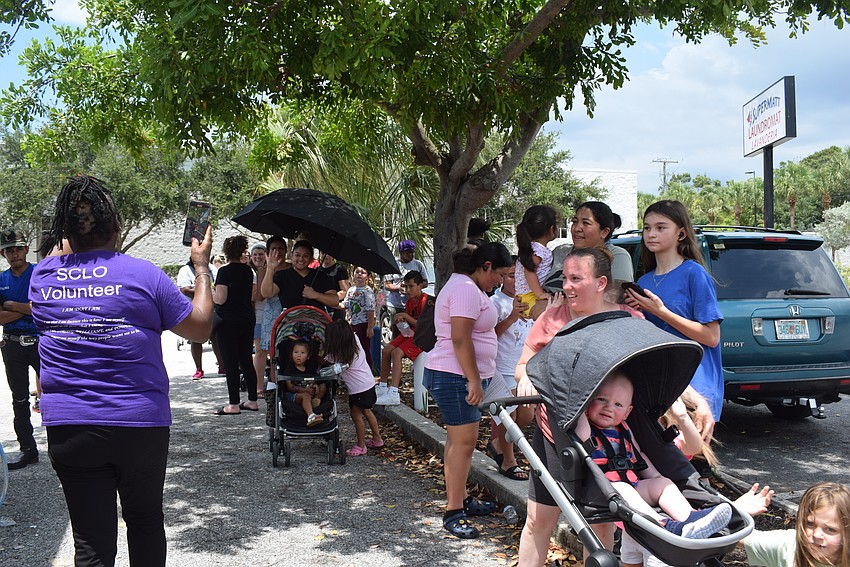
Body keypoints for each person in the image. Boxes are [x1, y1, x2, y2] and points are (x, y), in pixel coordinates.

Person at [30, 175, 214, 566]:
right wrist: (201, 267)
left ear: (66, 230)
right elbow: (200, 328)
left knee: (91, 542)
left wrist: (72, 228)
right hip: (139, 425)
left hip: (70, 428)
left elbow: (62, 251)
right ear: (117, 224)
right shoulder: (144, 275)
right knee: (145, 521)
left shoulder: (42, 278)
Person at [423, 242, 513, 539]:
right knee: (463, 443)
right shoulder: (464, 289)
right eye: (500, 273)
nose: (500, 280)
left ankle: (460, 499)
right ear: (486, 266)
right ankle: (453, 511)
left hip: (459, 374)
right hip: (455, 375)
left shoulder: (470, 287)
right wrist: (473, 379)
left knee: (458, 442)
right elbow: (460, 338)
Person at [575, 372, 732, 538]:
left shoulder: (625, 430)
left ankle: (691, 519)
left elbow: (638, 455)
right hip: (603, 491)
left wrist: (655, 476)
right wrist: (581, 407)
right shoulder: (587, 429)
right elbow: (581, 433)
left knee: (663, 484)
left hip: (633, 485)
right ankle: (664, 525)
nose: (609, 407)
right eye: (601, 399)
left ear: (627, 412)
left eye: (618, 404)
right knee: (623, 488)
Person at [623, 200, 724, 426]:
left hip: (695, 387)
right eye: (647, 228)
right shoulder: (644, 281)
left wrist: (661, 312)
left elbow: (711, 337)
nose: (651, 234)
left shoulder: (694, 273)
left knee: (693, 450)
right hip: (657, 385)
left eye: (661, 227)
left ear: (681, 233)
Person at [485, 259, 533, 480]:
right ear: (502, 277)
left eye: (522, 277)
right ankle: (508, 461)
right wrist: (513, 316)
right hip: (502, 368)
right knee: (509, 416)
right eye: (513, 276)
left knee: (526, 415)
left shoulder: (531, 300)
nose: (517, 281)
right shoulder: (495, 303)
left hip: (524, 369)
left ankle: (498, 443)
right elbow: (489, 335)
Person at [0, 228, 41, 470]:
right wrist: (28, 308)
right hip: (12, 344)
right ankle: (28, 450)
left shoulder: (39, 273)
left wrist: (12, 305)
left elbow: (44, 308)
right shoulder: (1, 280)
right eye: (9, 250)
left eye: (18, 249)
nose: (14, 254)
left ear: (26, 249)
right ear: (3, 254)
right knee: (20, 399)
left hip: (41, 342)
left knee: (54, 395)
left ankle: (62, 448)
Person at [739, 482, 850, 567]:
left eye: (830, 529)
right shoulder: (788, 546)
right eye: (810, 524)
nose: (816, 535)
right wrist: (736, 510)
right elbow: (736, 537)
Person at [213, 235, 259, 415]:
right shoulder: (248, 271)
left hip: (228, 320)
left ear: (226, 251)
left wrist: (211, 293)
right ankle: (252, 400)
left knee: (230, 361)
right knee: (246, 359)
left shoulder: (224, 272)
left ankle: (233, 404)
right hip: (246, 318)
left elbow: (221, 298)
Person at [324, 319, 383, 455]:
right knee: (367, 411)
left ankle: (361, 445)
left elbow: (327, 360)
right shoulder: (355, 341)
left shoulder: (341, 356)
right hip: (368, 383)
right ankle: (377, 439)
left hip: (358, 389)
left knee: (356, 415)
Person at [375, 270, 428, 406]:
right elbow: (411, 322)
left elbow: (422, 324)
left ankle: (394, 392)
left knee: (396, 353)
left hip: (422, 336)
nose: (407, 290)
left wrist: (405, 316)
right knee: (386, 350)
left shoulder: (426, 301)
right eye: (405, 286)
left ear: (420, 286)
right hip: (410, 333)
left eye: (411, 286)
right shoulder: (410, 301)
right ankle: (382, 386)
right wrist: (401, 321)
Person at [551, 201, 634, 286]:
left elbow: (617, 292)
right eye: (575, 221)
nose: (577, 228)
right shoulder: (559, 252)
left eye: (586, 223)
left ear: (604, 232)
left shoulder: (617, 256)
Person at [176, 256, 223, 379]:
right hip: (193, 308)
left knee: (215, 337)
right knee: (196, 339)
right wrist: (205, 292)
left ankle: (222, 366)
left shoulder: (212, 269)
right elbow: (185, 290)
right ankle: (199, 369)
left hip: (211, 308)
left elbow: (218, 286)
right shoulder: (185, 270)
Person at [261, 239, 339, 312]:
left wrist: (316, 295)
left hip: (316, 319)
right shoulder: (282, 275)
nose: (301, 259)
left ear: (311, 258)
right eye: (297, 255)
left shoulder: (321, 276)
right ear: (292, 255)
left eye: (305, 256)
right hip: (290, 320)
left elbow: (335, 301)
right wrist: (270, 268)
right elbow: (266, 293)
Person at [514, 205, 558, 316]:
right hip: (531, 296)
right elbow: (529, 270)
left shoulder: (532, 248)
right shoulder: (538, 250)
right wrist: (540, 294)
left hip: (526, 297)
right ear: (552, 229)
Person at [382, 240, 427, 337]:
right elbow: (387, 284)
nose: (412, 255)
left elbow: (425, 282)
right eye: (409, 252)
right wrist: (398, 288)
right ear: (401, 253)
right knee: (398, 332)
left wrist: (414, 287)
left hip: (414, 304)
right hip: (396, 305)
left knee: (414, 331)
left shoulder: (418, 264)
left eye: (413, 252)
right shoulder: (393, 264)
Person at [282, 341, 326, 427]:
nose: (299, 355)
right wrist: (304, 390)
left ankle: (316, 400)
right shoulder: (289, 369)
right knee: (306, 395)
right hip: (294, 394)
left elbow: (313, 380)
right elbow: (289, 386)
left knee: (323, 386)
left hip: (309, 390)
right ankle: (311, 416)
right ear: (291, 354)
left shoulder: (309, 368)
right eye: (296, 352)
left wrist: (315, 385)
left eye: (302, 353)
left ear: (308, 356)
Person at [342, 266, 376, 371]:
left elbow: (370, 310)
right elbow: (345, 304)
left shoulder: (368, 291)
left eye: (363, 272)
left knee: (364, 349)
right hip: (352, 324)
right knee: (353, 348)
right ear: (353, 274)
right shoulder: (351, 290)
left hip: (363, 324)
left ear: (368, 277)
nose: (359, 274)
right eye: (357, 272)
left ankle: (368, 371)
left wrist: (370, 328)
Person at [250, 243, 269, 397]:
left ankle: (273, 385)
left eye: (261, 254)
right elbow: (257, 296)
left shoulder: (272, 271)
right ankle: (258, 387)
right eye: (255, 254)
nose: (258, 257)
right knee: (260, 351)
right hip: (257, 316)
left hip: (273, 314)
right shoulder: (250, 273)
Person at [319, 252, 350, 321]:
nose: (326, 256)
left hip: (336, 309)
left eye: (329, 253)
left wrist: (329, 299)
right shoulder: (317, 270)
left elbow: (345, 291)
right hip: (320, 309)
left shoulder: (339, 269)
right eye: (323, 253)